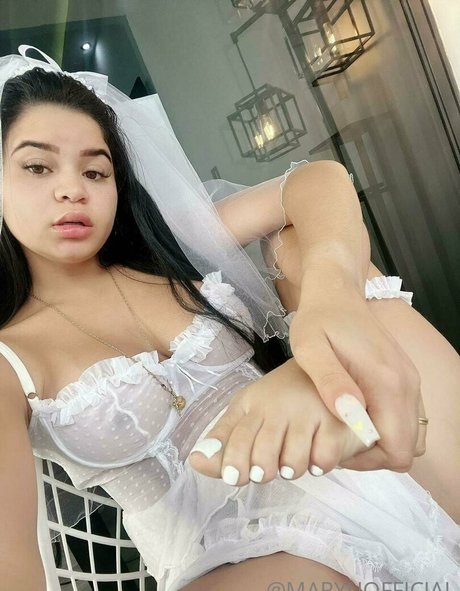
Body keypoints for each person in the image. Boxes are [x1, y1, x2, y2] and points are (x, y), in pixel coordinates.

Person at [0, 47, 458, 591]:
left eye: (96, 170)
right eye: (37, 166)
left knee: (295, 244)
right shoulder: (11, 361)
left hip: (349, 458)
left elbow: (316, 181)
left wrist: (330, 304)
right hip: (229, 553)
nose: (73, 189)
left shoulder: (167, 255)